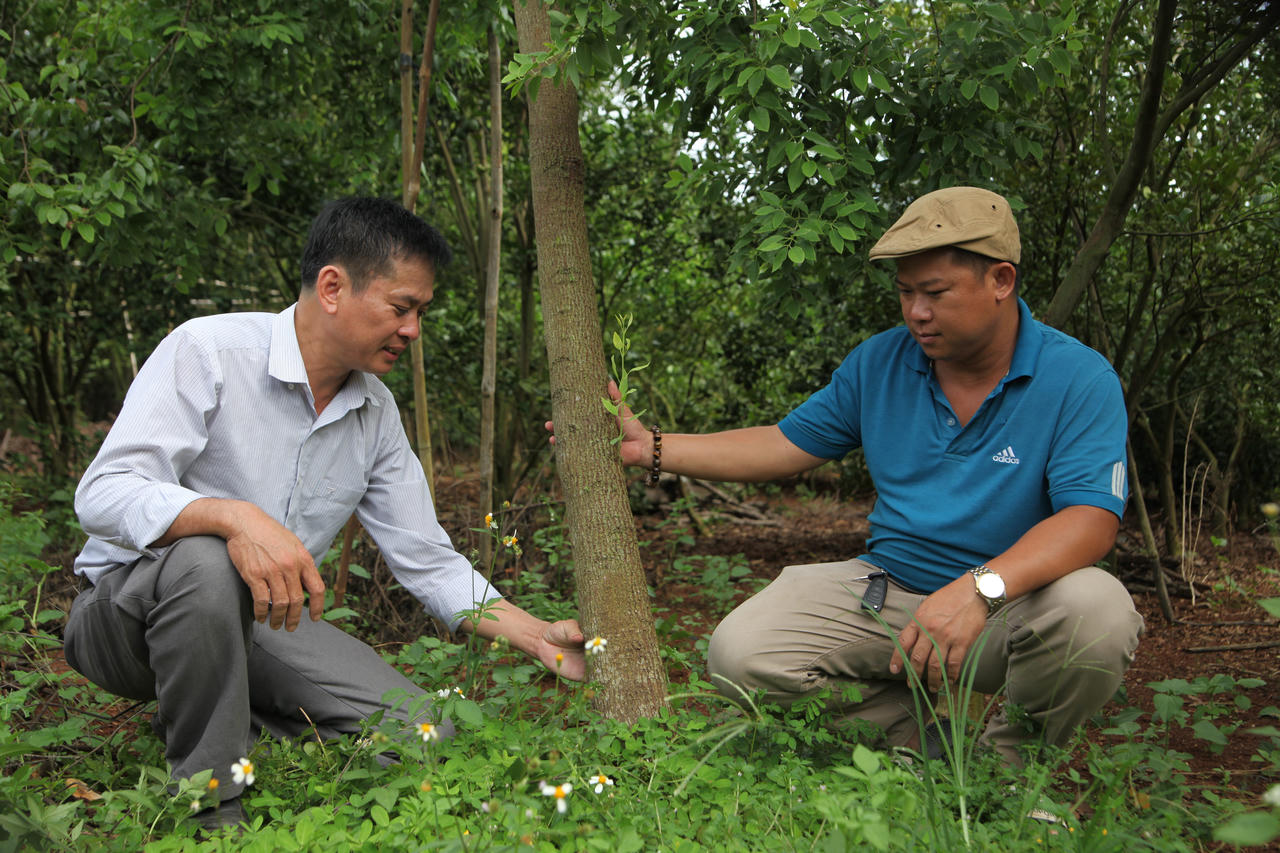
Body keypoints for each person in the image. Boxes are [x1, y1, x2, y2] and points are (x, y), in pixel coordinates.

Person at [65, 197, 586, 831]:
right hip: (123, 619)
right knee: (207, 559)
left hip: (256, 625)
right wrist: (233, 518)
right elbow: (103, 492)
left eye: (421, 311)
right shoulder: (209, 350)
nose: (413, 330)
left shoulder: (375, 413)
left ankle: (221, 717)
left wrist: (538, 638)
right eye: (401, 308)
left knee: (428, 730)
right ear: (333, 287)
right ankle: (208, 813)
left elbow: (426, 556)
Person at [576, 186, 1143, 766]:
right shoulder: (880, 363)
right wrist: (654, 448)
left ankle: (1010, 769)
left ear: (1001, 281)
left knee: (1098, 610)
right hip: (887, 591)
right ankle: (924, 748)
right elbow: (781, 444)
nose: (916, 312)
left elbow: (1091, 520)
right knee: (741, 653)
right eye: (905, 293)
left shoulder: (1077, 378)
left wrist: (979, 589)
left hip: (1008, 609)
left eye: (935, 293)